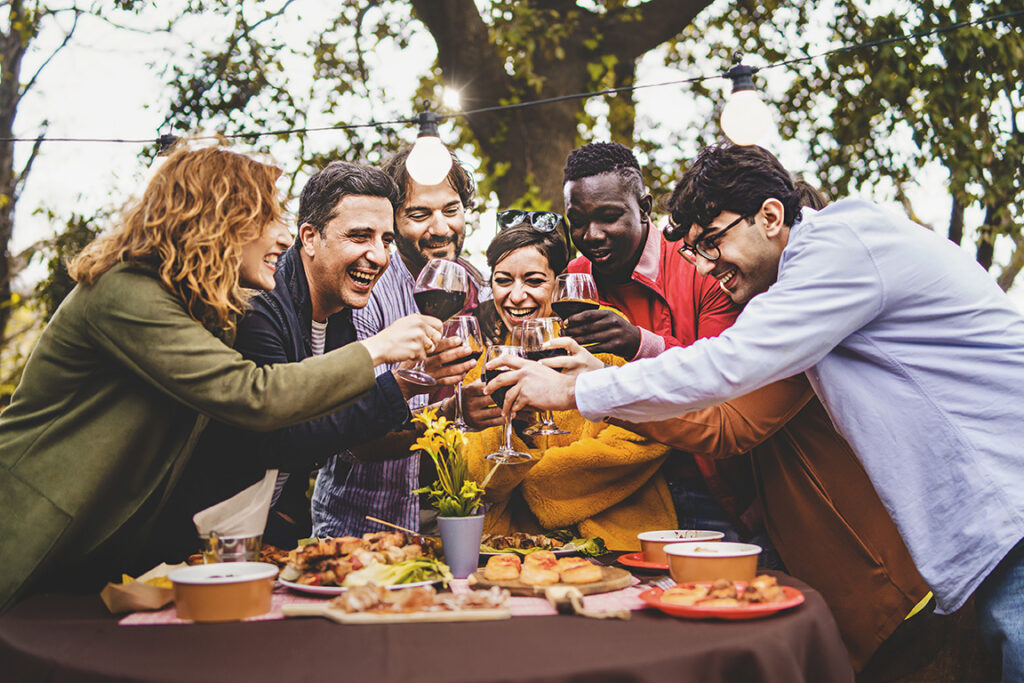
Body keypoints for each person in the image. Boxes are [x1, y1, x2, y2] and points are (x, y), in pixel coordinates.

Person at [492, 142, 1024, 680]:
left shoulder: (838, 250)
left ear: (770, 216)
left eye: (712, 243)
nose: (704, 265)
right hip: (985, 528)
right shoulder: (801, 280)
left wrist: (579, 391)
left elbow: (727, 369)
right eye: (695, 250)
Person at [0, 146, 442, 612]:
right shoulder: (126, 294)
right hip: (37, 524)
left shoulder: (196, 305)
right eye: (265, 220)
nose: (280, 237)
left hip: (103, 535)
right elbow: (254, 394)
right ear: (216, 221)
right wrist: (377, 350)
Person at [148, 161, 477, 557]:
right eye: (360, 236)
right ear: (309, 237)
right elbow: (282, 436)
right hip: (196, 535)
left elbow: (337, 423)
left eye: (385, 240)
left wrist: (421, 388)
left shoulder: (339, 310)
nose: (378, 255)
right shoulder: (261, 306)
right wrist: (395, 372)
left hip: (260, 530)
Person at [560, 142, 754, 546]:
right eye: (576, 221)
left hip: (703, 481)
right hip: (617, 485)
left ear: (644, 207)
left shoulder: (700, 265)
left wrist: (638, 343)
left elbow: (724, 384)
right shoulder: (575, 276)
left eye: (609, 217)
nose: (591, 235)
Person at [463, 218, 675, 548]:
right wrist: (514, 431)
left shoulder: (603, 337)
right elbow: (475, 476)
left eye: (533, 281)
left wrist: (534, 479)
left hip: (618, 541)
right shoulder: (489, 362)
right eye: (503, 281)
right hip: (519, 548)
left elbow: (644, 440)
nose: (516, 295)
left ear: (559, 284)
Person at [312, 146, 489, 537]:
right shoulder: (364, 289)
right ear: (392, 219)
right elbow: (350, 441)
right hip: (368, 529)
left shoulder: (477, 287)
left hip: (464, 519)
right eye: (419, 214)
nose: (440, 228)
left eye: (451, 209)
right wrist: (450, 412)